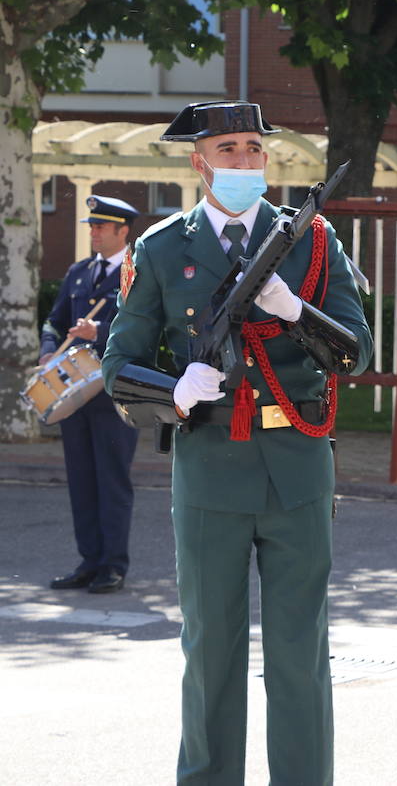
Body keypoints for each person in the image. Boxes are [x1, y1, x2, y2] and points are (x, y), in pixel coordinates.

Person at [102, 100, 372, 785]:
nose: (246, 161)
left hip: (298, 468)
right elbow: (118, 365)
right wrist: (175, 391)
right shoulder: (162, 248)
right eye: (229, 150)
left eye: (255, 148)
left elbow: (357, 353)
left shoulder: (312, 243)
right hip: (212, 467)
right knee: (212, 650)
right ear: (199, 162)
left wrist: (295, 310)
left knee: (298, 652)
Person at [42, 195, 143, 594]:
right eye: (91, 226)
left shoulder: (137, 276)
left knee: (111, 481)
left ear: (123, 231)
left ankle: (113, 565)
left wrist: (98, 333)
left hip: (114, 394)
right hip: (74, 392)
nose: (94, 232)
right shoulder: (79, 272)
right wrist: (47, 351)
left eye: (102, 226)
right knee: (81, 480)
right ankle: (89, 560)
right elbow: (53, 321)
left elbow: (142, 332)